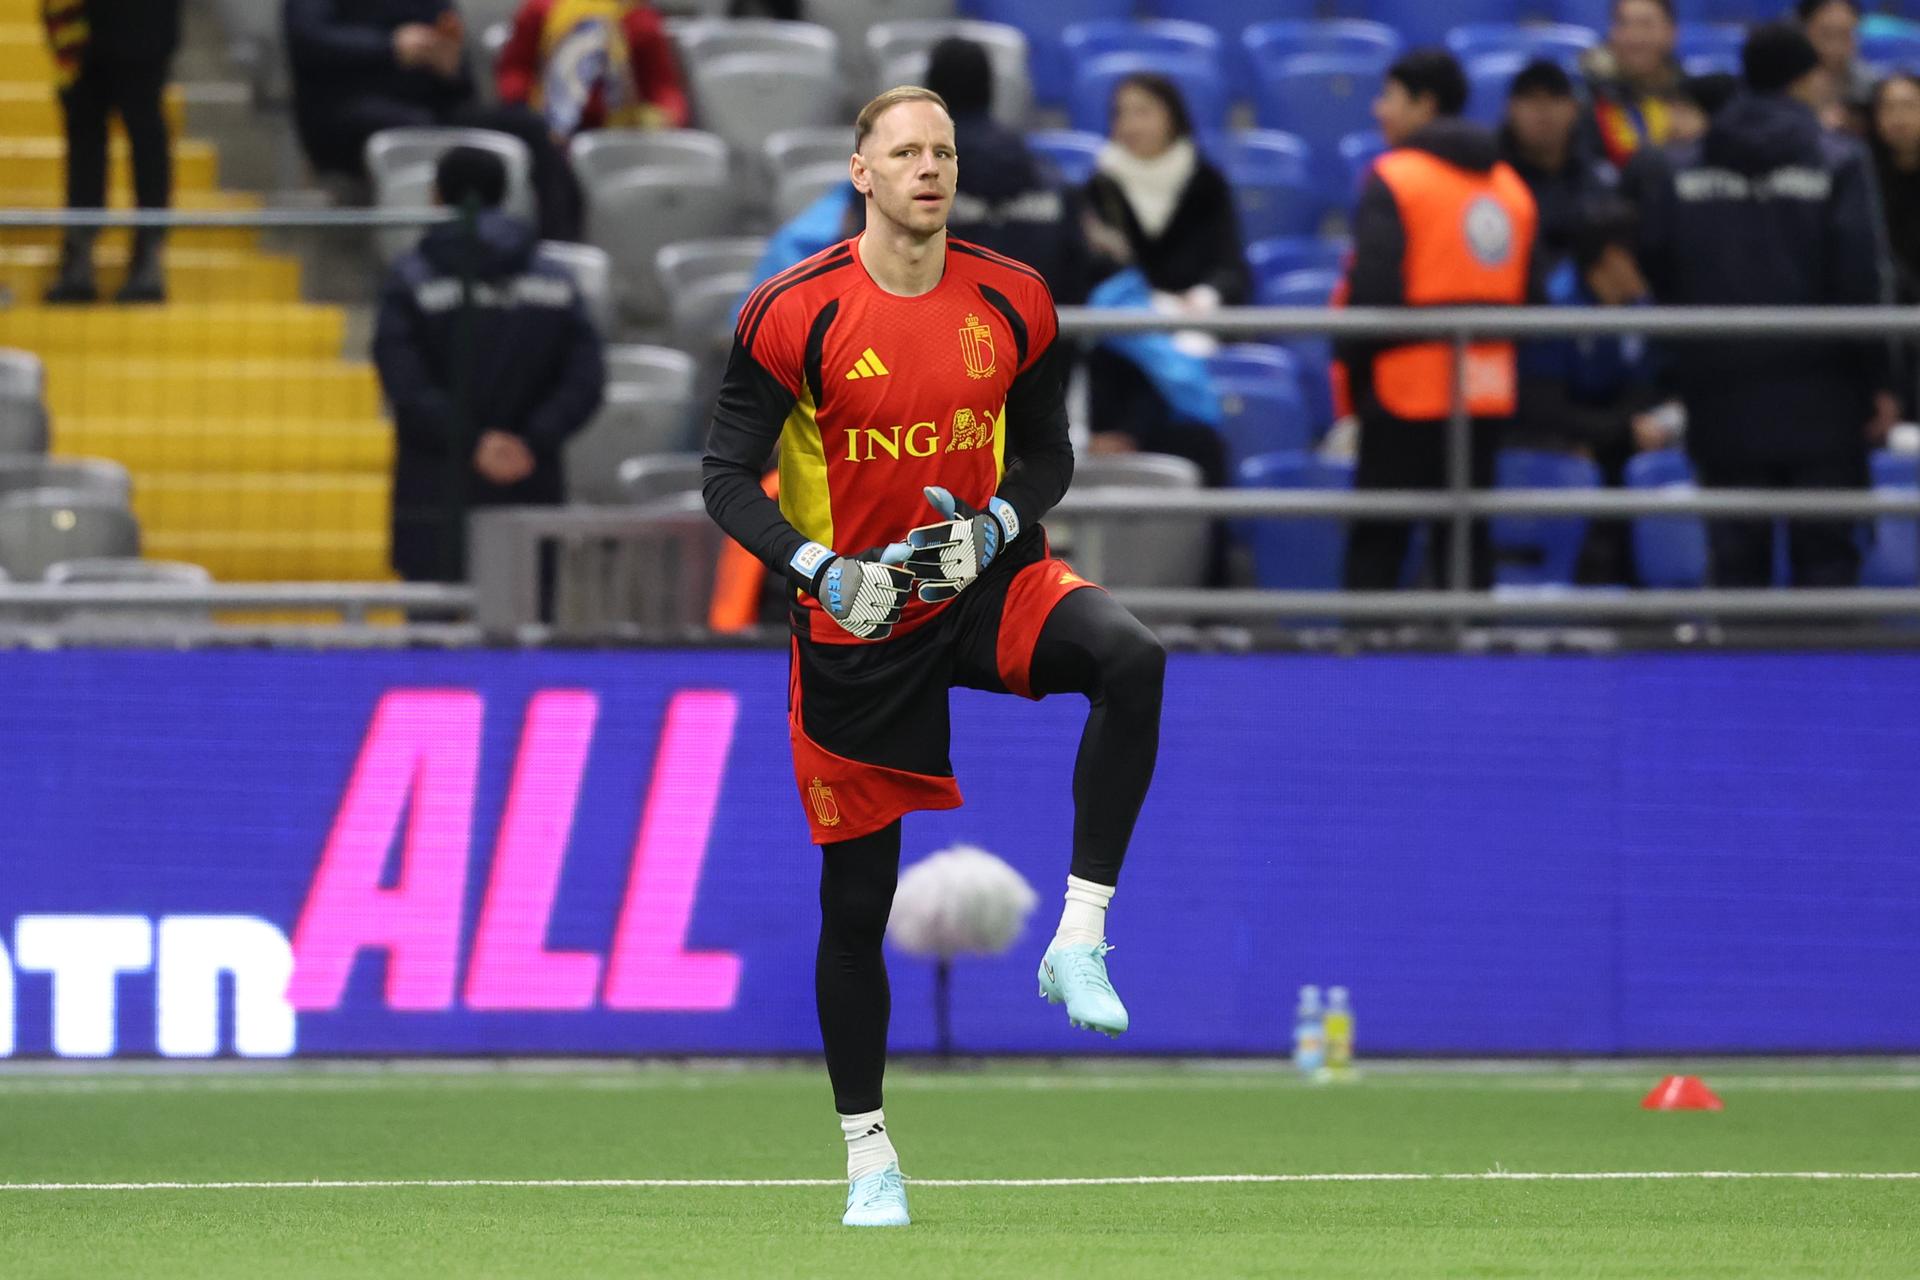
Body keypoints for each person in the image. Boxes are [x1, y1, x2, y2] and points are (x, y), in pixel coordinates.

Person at [701, 86, 1164, 1229]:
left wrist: (996, 528)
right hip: (858, 616)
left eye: (943, 151)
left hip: (979, 577)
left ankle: (1079, 934)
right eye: (904, 151)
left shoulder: (1014, 299)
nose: (929, 168)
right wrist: (818, 569)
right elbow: (721, 476)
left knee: (1133, 655)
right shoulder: (792, 312)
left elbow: (1045, 454)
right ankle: (869, 1152)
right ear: (860, 171)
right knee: (858, 901)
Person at [1639, 24, 1897, 588]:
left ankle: (1734, 679)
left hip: (1718, 392)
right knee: (1826, 566)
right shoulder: (1840, 161)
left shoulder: (1681, 167)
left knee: (1736, 566)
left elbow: (1658, 265)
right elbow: (1860, 278)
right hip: (1824, 398)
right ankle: (1826, 681)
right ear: (1806, 80)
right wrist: (1880, 380)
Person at [1336, 50, 1539, 591]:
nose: (1379, 110)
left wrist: (1351, 374)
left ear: (1424, 104)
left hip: (1406, 390)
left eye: (1389, 97)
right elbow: (1533, 294)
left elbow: (1373, 290)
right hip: (1486, 392)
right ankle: (1473, 665)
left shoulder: (1395, 177)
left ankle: (1365, 661)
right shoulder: (1512, 187)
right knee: (1467, 544)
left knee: (1380, 542)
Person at [374, 146, 604, 581]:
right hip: (529, 483)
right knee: (527, 626)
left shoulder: (410, 279)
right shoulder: (556, 280)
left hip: (434, 490)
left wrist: (472, 442)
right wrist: (531, 441)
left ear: (435, 196)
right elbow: (585, 379)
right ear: (505, 195)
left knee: (431, 636)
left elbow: (404, 382)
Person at [284, 0, 582, 239]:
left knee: (528, 126)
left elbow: (460, 82)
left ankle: (556, 251)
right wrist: (390, 46)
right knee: (413, 125)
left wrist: (449, 65)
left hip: (431, 110)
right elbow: (308, 38)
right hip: (343, 110)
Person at [1081, 72, 1250, 484]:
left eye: (1143, 112)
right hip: (1123, 345)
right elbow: (1090, 277)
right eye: (1121, 114)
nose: (1130, 124)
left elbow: (1231, 268)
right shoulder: (1097, 190)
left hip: (1195, 332)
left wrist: (1204, 297)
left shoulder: (1206, 184)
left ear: (1172, 117)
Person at [1514, 199, 1676, 582]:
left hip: (1609, 441)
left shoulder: (1637, 306)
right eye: (1639, 256)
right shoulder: (1556, 308)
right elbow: (1544, 408)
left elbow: (1643, 390)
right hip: (1553, 445)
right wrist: (1619, 429)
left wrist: (1622, 429)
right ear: (1614, 259)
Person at [921, 36, 1091, 304]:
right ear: (990, 89)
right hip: (1040, 339)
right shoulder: (1049, 177)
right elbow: (1077, 277)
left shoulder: (903, 183)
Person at [40, 0, 183, 304]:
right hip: (80, 21)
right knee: (83, 136)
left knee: (146, 134)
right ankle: (78, 255)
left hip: (143, 24)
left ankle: (149, 255)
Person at [493, 0, 688, 140]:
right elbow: (515, 71)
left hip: (620, 134)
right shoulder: (539, 9)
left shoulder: (639, 19)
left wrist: (662, 118)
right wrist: (525, 112)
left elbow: (663, 88)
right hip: (547, 129)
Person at [1501, 60, 1614, 267]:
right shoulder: (1490, 177)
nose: (1543, 111)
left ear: (1574, 109)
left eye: (1554, 98)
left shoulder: (1597, 176)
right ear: (1511, 109)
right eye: (1531, 99)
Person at [1868, 71, 1920, 414]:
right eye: (1888, 107)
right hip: (1883, 319)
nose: (1898, 118)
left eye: (1909, 106)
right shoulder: (1860, 175)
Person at [1582, 0, 1684, 169]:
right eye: (1623, 24)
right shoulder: (1587, 98)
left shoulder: (1695, 98)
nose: (1634, 37)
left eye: (1645, 25)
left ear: (1671, 32)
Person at [1800, 0, 1874, 133]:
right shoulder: (1787, 84)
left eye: (1844, 34)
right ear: (1805, 31)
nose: (1835, 46)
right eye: (1826, 34)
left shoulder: (1871, 85)